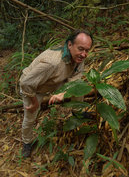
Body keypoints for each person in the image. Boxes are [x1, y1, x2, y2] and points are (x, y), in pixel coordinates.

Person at [19, 29, 93, 158]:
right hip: (33, 87)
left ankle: (78, 111)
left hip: (55, 80)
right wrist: (35, 102)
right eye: (81, 49)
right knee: (30, 118)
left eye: (87, 50)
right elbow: (25, 83)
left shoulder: (78, 56)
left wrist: (64, 92)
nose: (84, 54)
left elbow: (76, 77)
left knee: (79, 87)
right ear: (70, 45)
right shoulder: (52, 62)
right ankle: (27, 142)